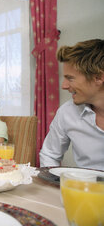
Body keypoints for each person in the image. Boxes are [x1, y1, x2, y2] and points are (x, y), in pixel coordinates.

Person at [39, 39, 104, 171]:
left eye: (70, 78)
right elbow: (49, 154)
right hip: (84, 189)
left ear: (98, 77)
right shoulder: (67, 112)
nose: (64, 86)